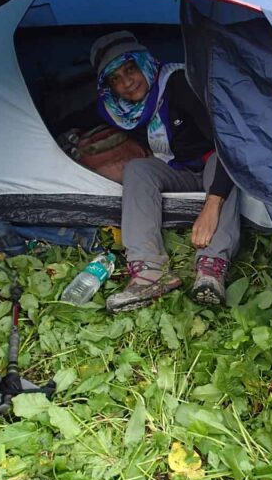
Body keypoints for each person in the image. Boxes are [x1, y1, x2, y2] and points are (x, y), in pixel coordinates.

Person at [89, 30, 241, 312]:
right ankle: (149, 271)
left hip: (216, 161)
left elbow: (229, 143)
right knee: (138, 169)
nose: (127, 82)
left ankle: (211, 270)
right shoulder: (122, 109)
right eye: (116, 79)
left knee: (223, 164)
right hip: (178, 169)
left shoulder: (181, 84)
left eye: (130, 69)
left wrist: (211, 205)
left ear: (145, 63)